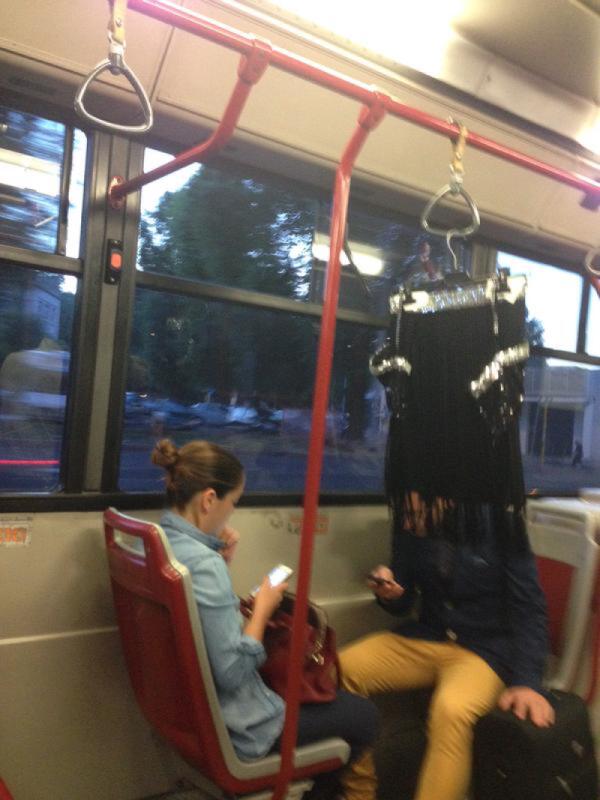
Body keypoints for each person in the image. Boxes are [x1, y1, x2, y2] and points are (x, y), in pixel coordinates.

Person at [151, 438, 379, 800]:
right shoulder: (203, 565)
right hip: (242, 727)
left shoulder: (158, 544)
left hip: (185, 717)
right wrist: (262, 610)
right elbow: (232, 672)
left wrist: (221, 560)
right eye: (233, 503)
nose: (231, 513)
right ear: (209, 499)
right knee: (364, 717)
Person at [338, 509, 555, 800]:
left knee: (451, 710)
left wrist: (527, 682)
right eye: (406, 510)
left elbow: (530, 610)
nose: (407, 521)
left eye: (416, 511)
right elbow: (404, 600)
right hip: (429, 637)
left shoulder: (501, 527)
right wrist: (390, 593)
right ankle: (360, 792)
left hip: (484, 650)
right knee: (338, 670)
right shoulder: (409, 525)